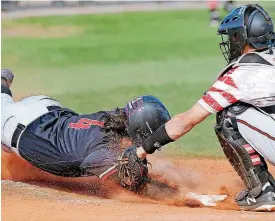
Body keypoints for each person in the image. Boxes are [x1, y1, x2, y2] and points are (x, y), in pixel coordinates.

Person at [135, 4, 275, 211]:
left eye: (232, 36)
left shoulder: (240, 75)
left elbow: (186, 121)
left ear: (240, 38)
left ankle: (262, 192)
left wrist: (140, 152)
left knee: (230, 115)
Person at [1, 69, 171, 193]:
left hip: (44, 107)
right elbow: (133, 184)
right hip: (19, 127)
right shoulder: (100, 151)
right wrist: (177, 192)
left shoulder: (114, 119)